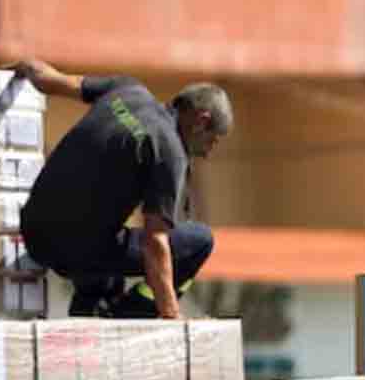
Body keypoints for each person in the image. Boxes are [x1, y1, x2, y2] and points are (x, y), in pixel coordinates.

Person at [13, 58, 233, 320]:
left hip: (34, 233)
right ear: (201, 120)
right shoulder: (169, 152)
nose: (208, 153)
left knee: (107, 245)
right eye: (212, 141)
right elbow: (155, 242)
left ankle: (89, 308)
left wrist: (21, 67)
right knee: (199, 242)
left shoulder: (127, 90)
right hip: (74, 252)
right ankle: (129, 313)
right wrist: (173, 317)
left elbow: (51, 79)